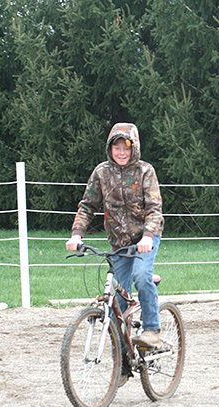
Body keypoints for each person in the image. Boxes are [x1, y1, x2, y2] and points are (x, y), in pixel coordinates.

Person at [66, 122, 165, 349]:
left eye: (127, 147)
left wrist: (148, 237)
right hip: (119, 243)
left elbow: (154, 208)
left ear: (135, 149)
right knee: (117, 301)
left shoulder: (145, 171)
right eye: (117, 147)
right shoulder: (102, 172)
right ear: (110, 148)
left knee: (141, 276)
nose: (121, 153)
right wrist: (77, 235)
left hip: (145, 239)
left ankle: (151, 329)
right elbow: (87, 205)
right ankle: (121, 364)